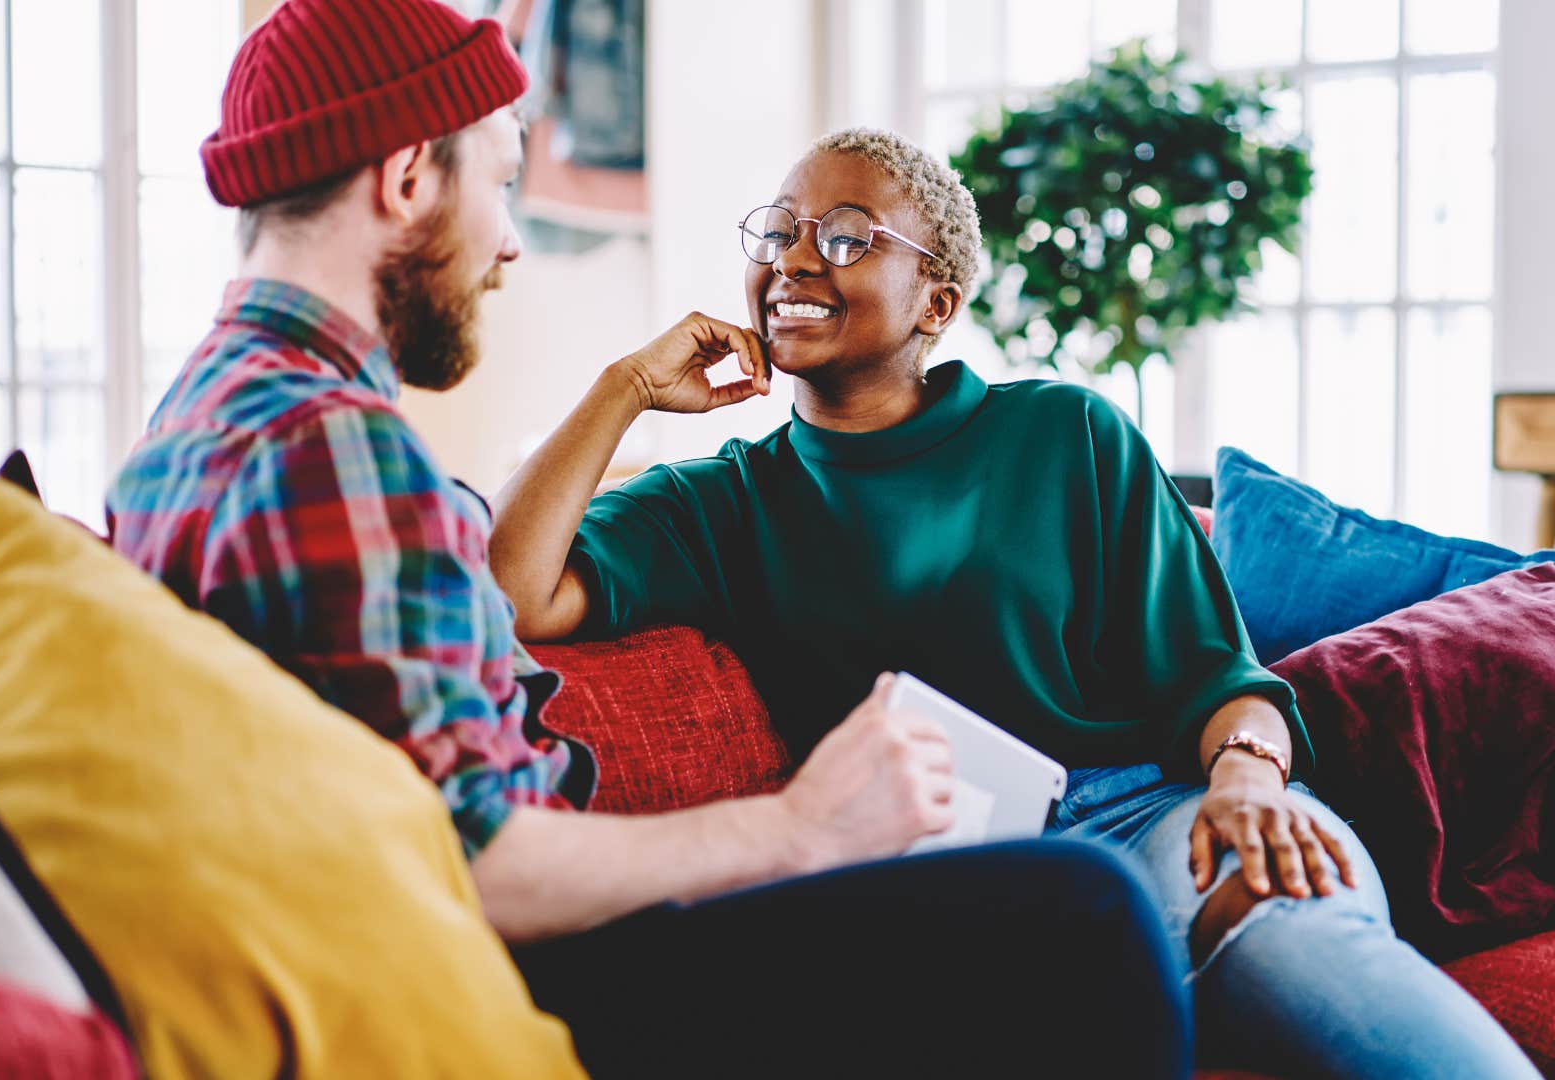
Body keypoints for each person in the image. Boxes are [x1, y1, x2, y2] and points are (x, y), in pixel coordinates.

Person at [104, 2, 1192, 1076]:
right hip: (522, 968)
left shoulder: (192, 420)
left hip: (458, 937)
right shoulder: (339, 449)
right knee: (1082, 913)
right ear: (404, 180)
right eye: (499, 180)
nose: (512, 242)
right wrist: (800, 826)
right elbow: (480, 865)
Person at [490, 126, 1547, 1078]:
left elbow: (1223, 677)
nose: (797, 258)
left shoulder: (1066, 436)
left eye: (850, 236)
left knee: (1288, 936)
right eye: (779, 230)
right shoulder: (724, 500)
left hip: (1163, 814)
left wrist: (1249, 781)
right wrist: (624, 387)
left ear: (937, 302)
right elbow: (513, 589)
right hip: (967, 880)